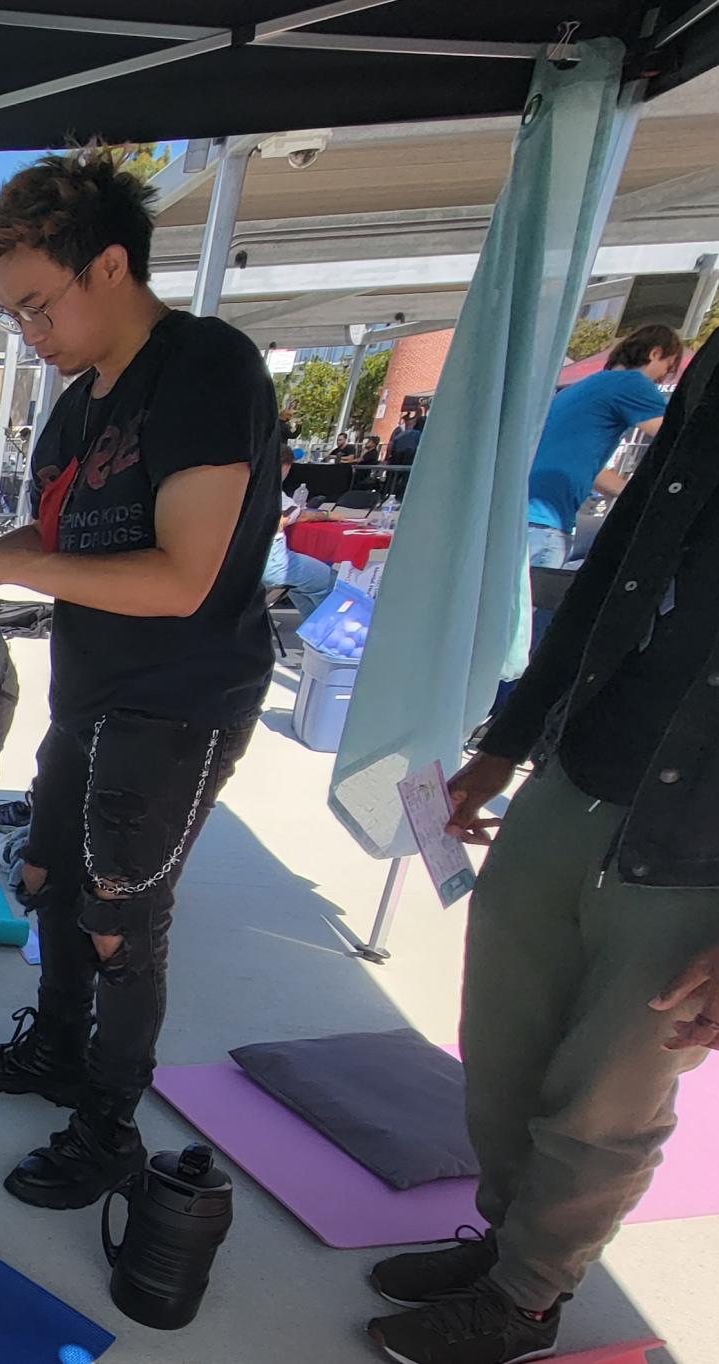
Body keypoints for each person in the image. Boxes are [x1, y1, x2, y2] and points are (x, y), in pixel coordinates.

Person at [0, 148, 278, 1211]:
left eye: (37, 307)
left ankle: (109, 1123)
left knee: (124, 919)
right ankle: (58, 1048)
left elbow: (182, 576)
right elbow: (62, 534)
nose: (31, 335)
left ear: (109, 265)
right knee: (53, 884)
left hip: (182, 700)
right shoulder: (79, 405)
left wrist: (14, 563)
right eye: (15, 316)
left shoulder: (206, 366)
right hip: (92, 693)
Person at [364, 340, 719, 1364]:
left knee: (609, 1090)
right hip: (582, 758)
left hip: (697, 843)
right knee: (505, 1039)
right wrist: (508, 740)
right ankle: (508, 1246)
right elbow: (615, 568)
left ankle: (526, 1294)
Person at [523, 323, 682, 568]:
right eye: (668, 367)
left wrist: (629, 493)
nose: (663, 378)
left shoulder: (578, 389)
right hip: (547, 523)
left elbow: (582, 464)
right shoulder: (633, 385)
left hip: (523, 514)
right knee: (535, 600)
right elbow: (676, 439)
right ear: (655, 354)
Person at [263, 451, 338, 620]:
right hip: (272, 564)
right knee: (331, 583)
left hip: (240, 564)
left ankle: (311, 634)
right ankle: (327, 634)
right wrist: (328, 515)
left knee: (300, 587)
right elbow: (297, 515)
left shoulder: (238, 488)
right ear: (285, 467)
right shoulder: (270, 492)